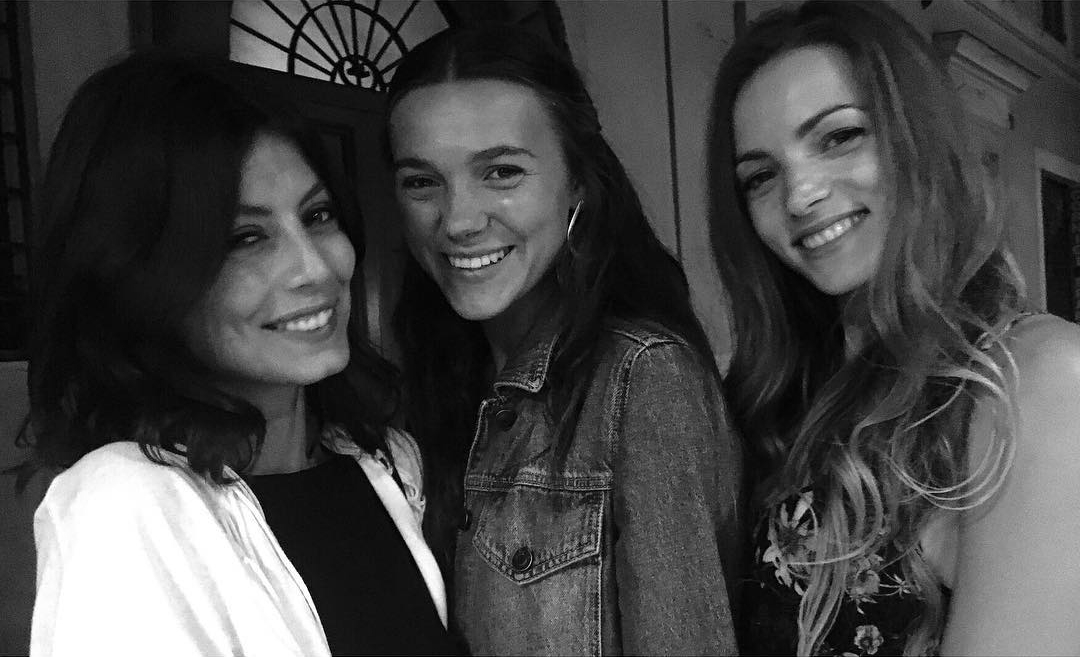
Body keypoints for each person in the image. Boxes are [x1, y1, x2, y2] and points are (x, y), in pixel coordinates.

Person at [24, 52, 455, 656]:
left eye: (318, 215)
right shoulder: (126, 505)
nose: (315, 268)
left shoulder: (388, 465)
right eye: (245, 238)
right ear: (142, 275)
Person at [707, 1, 1080, 655]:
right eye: (762, 176)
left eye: (839, 137)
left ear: (918, 137)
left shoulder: (1036, 378)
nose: (798, 195)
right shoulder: (787, 396)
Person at [385, 24, 743, 656]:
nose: (458, 220)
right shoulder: (420, 384)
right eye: (422, 181)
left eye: (501, 172)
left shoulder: (641, 379)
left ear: (578, 181)